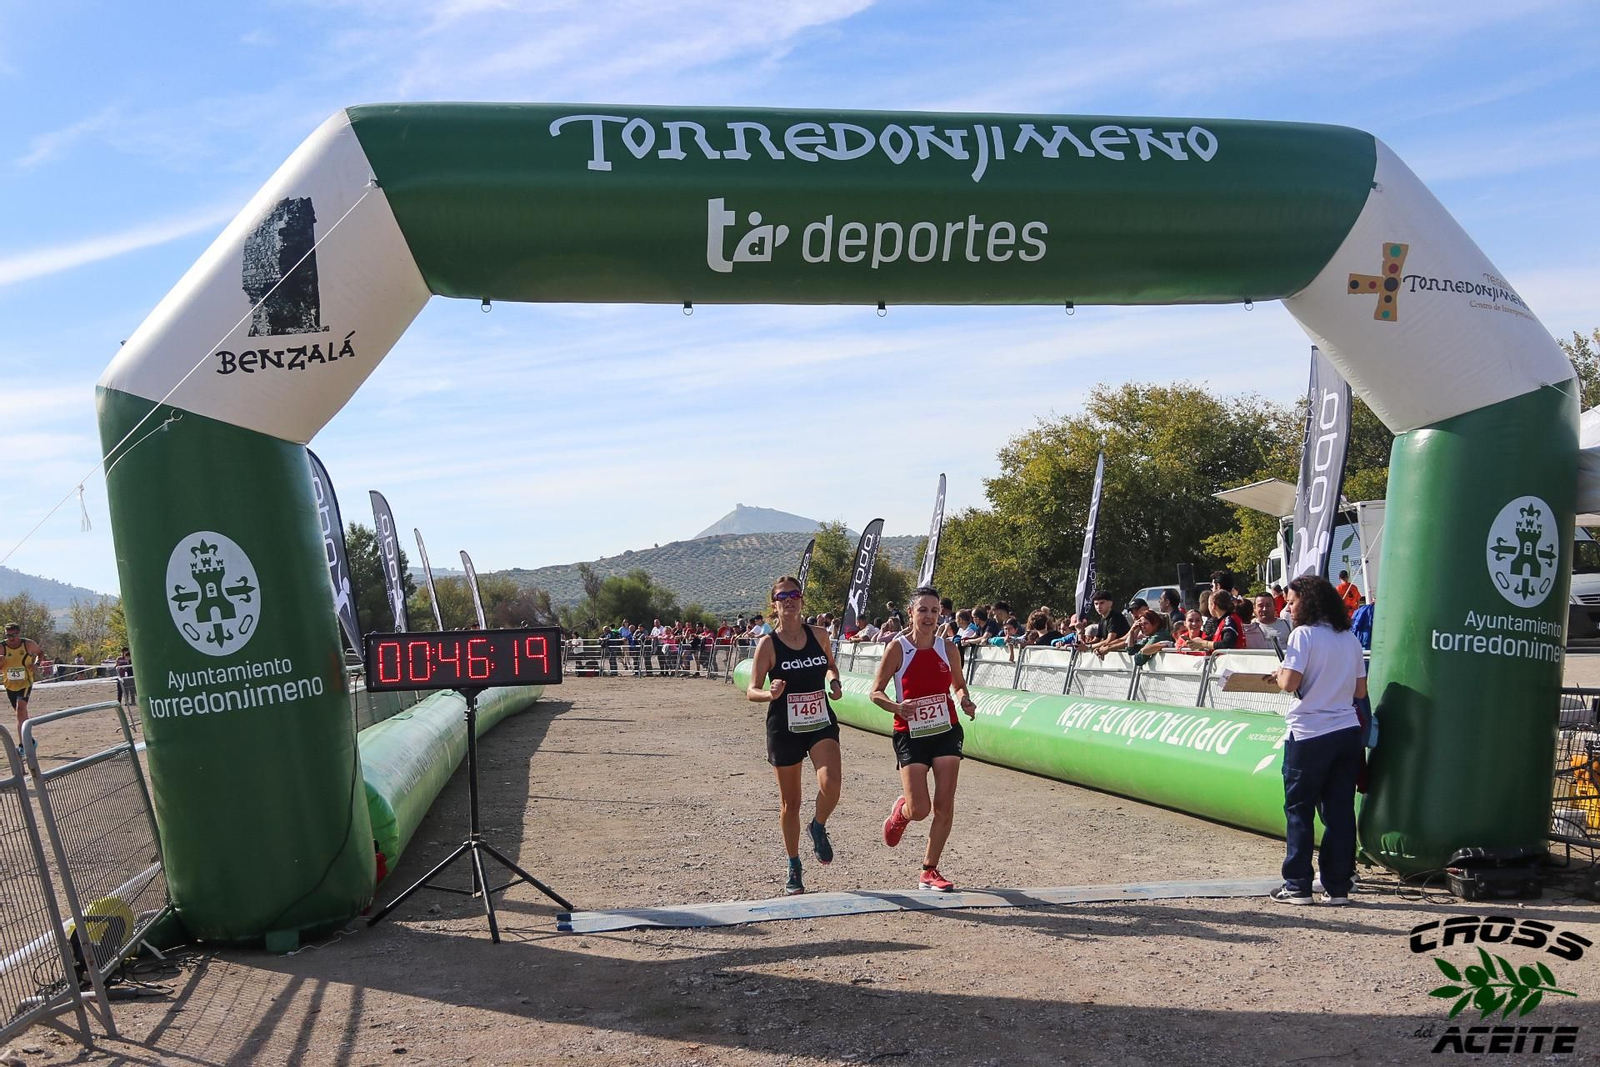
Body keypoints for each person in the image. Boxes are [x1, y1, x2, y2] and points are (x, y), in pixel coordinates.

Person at [1261, 575, 1367, 906]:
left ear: (1308, 601)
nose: (1287, 606)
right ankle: (1338, 887)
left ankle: (1297, 885)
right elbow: (1360, 691)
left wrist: (1280, 675)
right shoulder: (1348, 637)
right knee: (1339, 810)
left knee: (1299, 809)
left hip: (1309, 733)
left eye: (1291, 601)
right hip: (1346, 731)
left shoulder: (1302, 635)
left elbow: (1290, 683)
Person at [869, 585, 977, 893]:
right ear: (911, 613)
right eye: (923, 610)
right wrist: (898, 707)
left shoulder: (949, 648)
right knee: (920, 809)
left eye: (934, 610)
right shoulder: (898, 648)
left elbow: (958, 685)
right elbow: (875, 692)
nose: (929, 616)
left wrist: (965, 700)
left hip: (946, 730)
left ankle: (929, 871)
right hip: (910, 734)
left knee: (944, 804)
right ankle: (902, 811)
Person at [746, 577, 845, 896]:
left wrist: (834, 681)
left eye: (795, 595)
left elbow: (831, 666)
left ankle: (817, 825)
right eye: (782, 596)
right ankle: (794, 863)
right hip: (784, 727)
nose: (789, 600)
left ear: (802, 600)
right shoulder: (768, 644)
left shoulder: (819, 635)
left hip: (819, 721)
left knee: (831, 784)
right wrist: (768, 693)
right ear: (774, 604)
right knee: (791, 802)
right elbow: (751, 690)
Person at [3, 623, 43, 735]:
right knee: (21, 714)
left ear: (19, 634)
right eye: (8, 635)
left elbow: (40, 653)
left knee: (20, 710)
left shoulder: (28, 644)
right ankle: (29, 740)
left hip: (25, 682)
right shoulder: (2, 647)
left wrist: (37, 664)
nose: (11, 638)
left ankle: (22, 745)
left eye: (13, 635)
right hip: (9, 684)